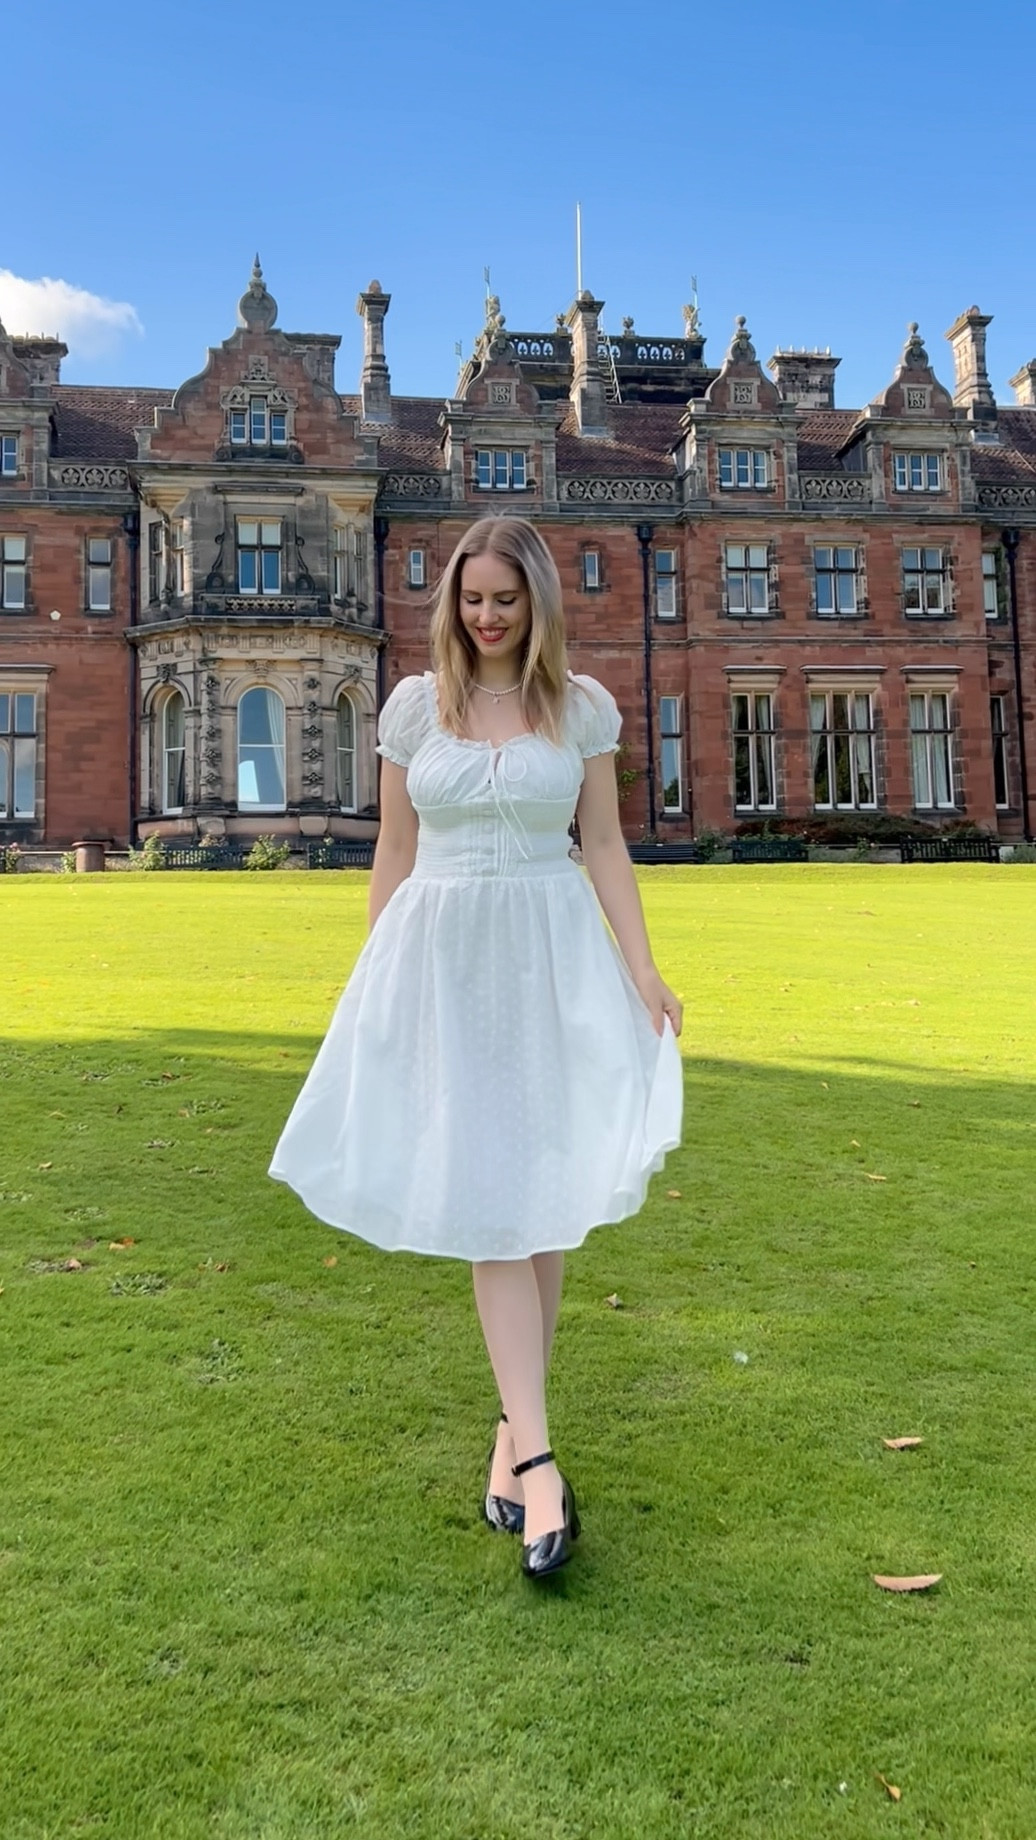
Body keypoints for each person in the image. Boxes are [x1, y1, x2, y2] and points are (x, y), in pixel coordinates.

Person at [269, 516, 683, 1580]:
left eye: (504, 599)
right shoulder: (416, 707)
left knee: (542, 1201)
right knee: (497, 1197)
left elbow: (603, 843)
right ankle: (538, 1463)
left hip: (549, 956)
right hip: (445, 961)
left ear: (536, 601)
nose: (486, 616)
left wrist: (642, 970)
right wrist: (376, 978)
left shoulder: (580, 708)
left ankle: (511, 1438)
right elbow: (395, 850)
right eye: (471, 598)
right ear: (451, 602)